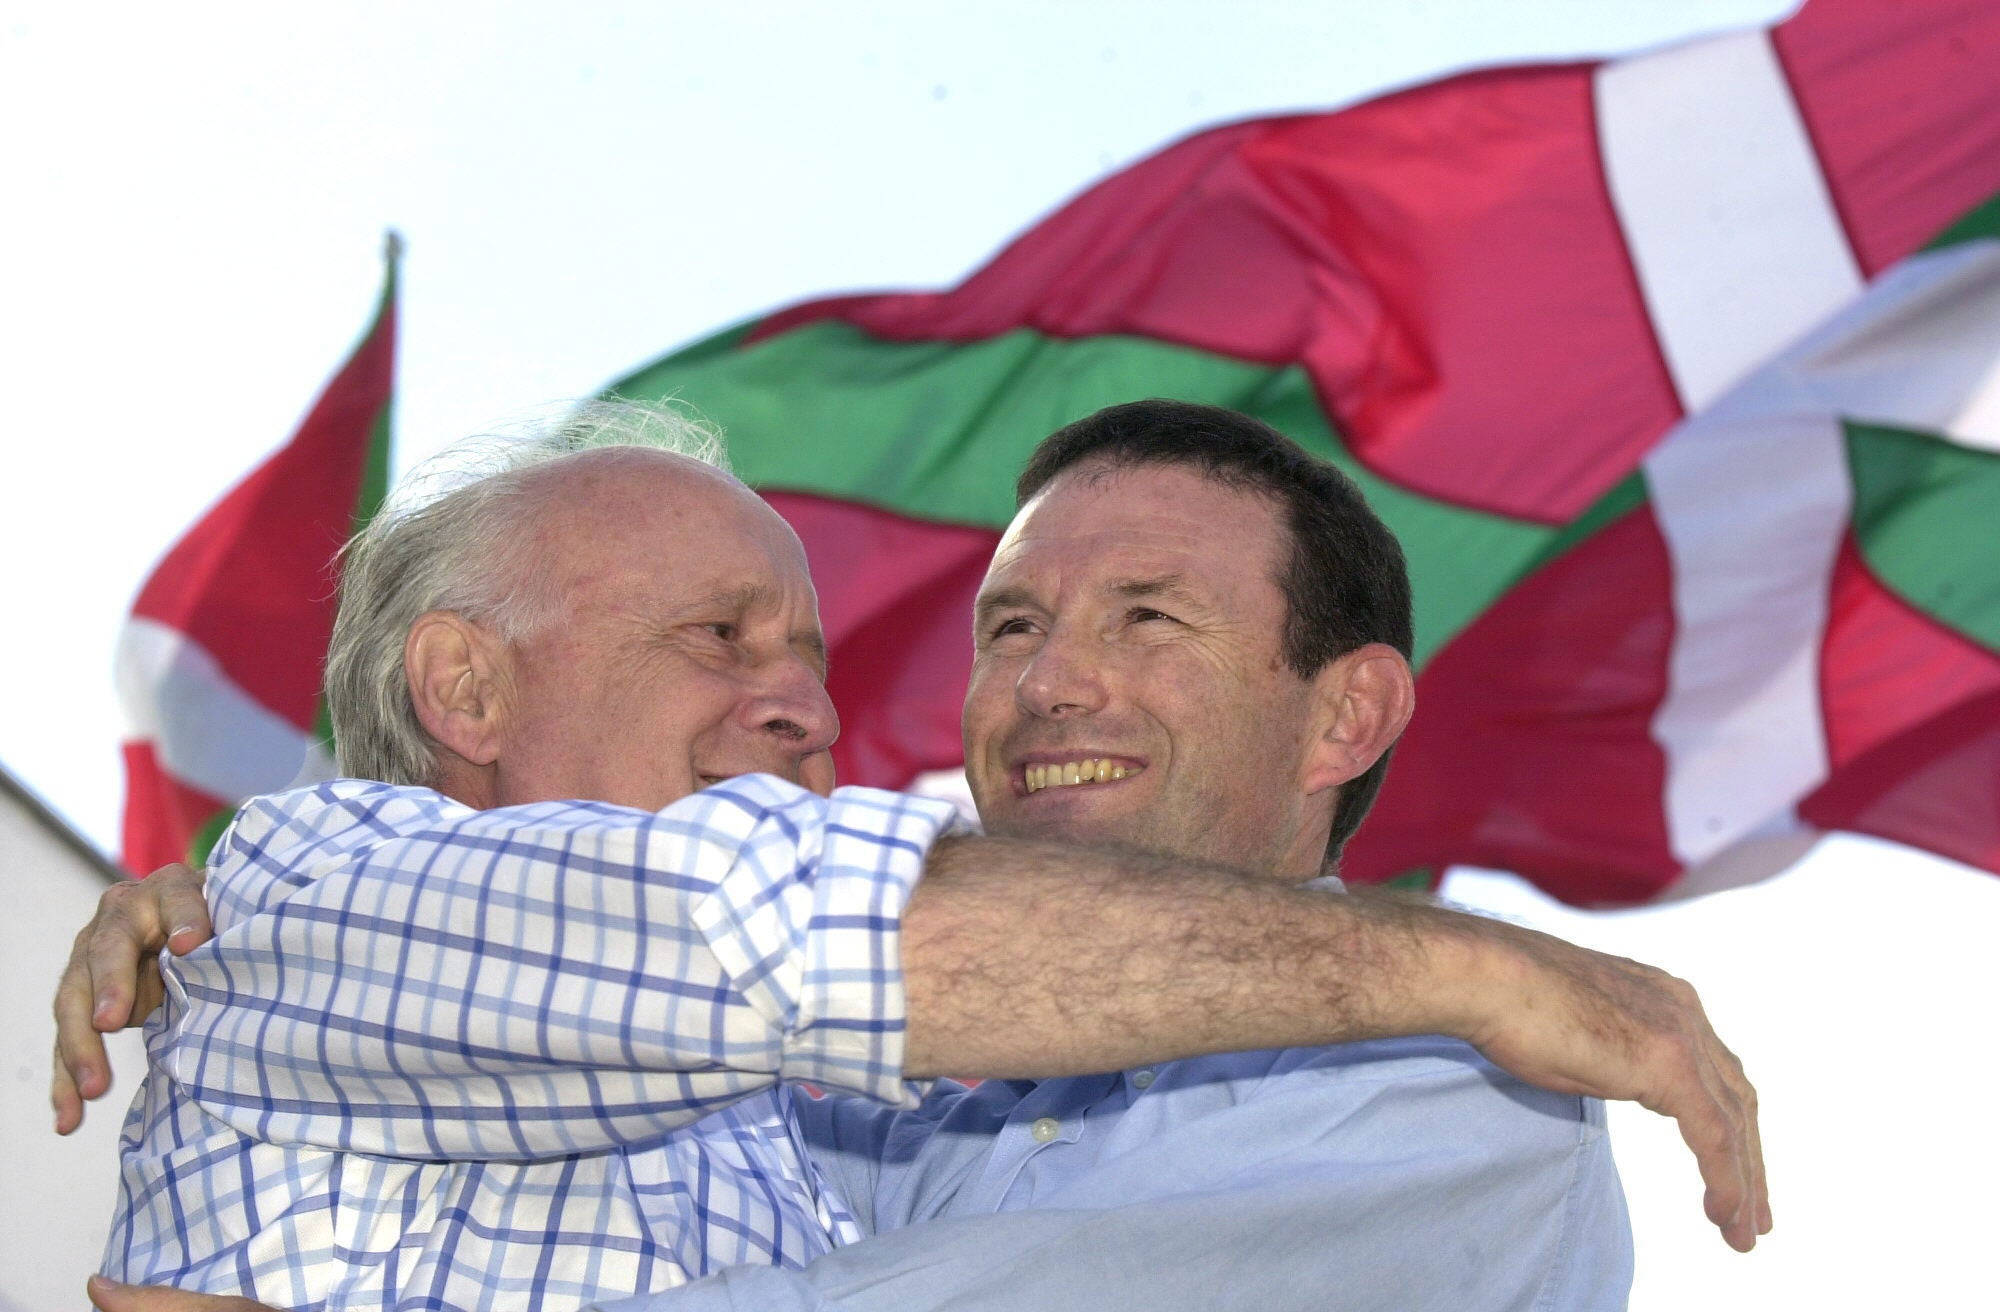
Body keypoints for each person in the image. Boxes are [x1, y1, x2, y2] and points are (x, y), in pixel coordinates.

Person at [58, 401, 1764, 1312]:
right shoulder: (334, 899)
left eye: (1146, 618)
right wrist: (1470, 962)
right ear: (465, 685)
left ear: (1347, 716)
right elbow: (778, 942)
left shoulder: (1460, 1110)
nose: (1042, 681)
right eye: (1010, 623)